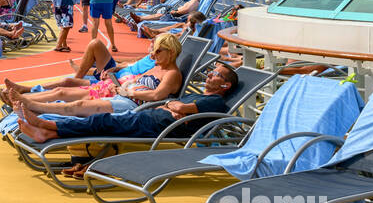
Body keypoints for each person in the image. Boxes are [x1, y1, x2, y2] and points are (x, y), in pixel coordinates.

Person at [16, 63, 241, 178]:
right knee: (102, 122)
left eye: (216, 75)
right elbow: (174, 105)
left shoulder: (215, 103)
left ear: (225, 86)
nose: (209, 75)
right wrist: (172, 106)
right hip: (152, 116)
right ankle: (50, 132)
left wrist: (175, 107)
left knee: (101, 123)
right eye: (211, 72)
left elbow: (179, 106)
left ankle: (47, 127)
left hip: (158, 126)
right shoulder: (200, 96)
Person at [14, 34, 184, 119]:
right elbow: (135, 79)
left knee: (80, 104)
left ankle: (33, 106)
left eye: (157, 51)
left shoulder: (172, 74)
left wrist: (127, 93)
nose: (153, 55)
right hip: (121, 93)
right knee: (66, 92)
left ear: (171, 52)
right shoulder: (156, 67)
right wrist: (118, 85)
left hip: (133, 104)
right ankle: (31, 104)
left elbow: (156, 95)